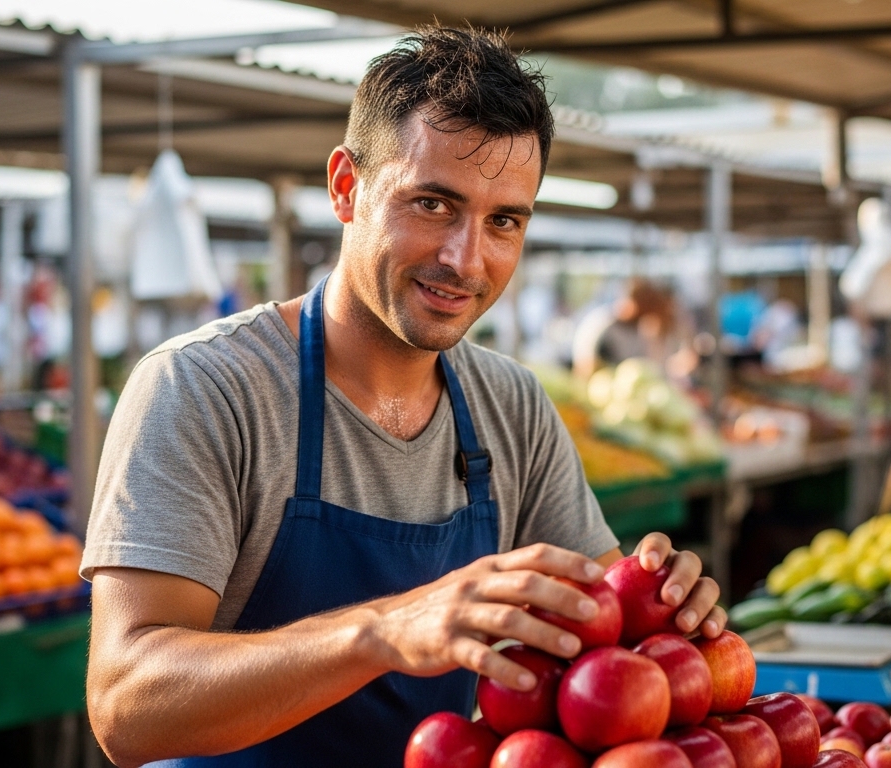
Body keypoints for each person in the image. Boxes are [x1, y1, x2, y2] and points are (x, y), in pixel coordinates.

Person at [81, 27, 725, 768]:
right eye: (433, 204)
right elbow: (126, 706)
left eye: (504, 222)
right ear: (346, 187)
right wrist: (385, 631)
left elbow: (600, 625)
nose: (465, 258)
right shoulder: (205, 389)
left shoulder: (508, 406)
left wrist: (661, 611)